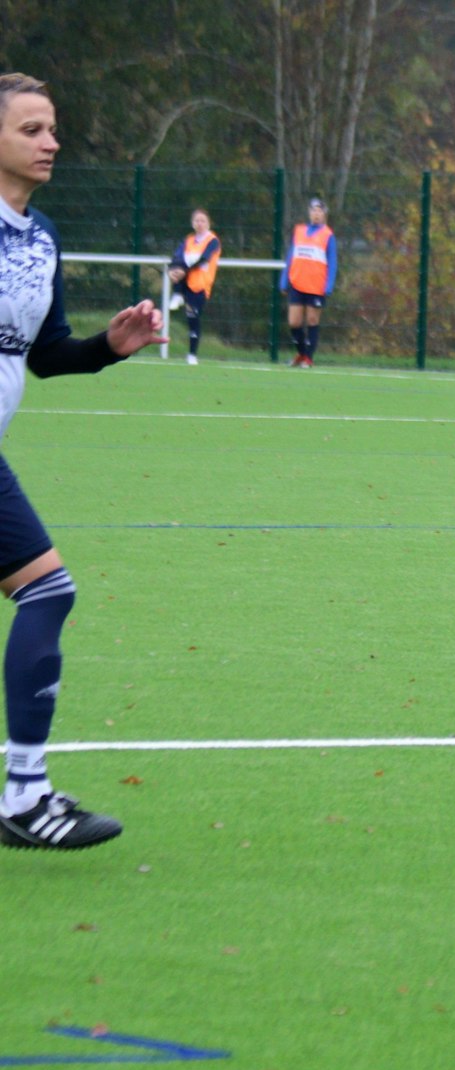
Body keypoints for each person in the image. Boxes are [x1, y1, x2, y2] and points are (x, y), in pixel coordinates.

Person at [0, 73, 166, 849]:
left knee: (47, 592)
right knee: (48, 589)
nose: (51, 142)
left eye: (53, 128)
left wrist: (109, 346)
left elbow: (45, 354)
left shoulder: (41, 237)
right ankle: (25, 795)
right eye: (31, 129)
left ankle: (25, 796)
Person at [282, 197, 336, 367]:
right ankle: (301, 353)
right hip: (297, 283)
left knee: (312, 320)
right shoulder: (299, 231)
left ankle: (308, 358)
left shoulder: (328, 235)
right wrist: (284, 280)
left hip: (316, 286)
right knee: (294, 322)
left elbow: (333, 262)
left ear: (324, 214)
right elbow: (290, 257)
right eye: (313, 210)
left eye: (319, 211)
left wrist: (329, 285)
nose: (316, 214)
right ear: (309, 212)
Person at [166, 208, 219, 366]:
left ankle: (192, 354)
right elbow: (177, 257)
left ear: (208, 223)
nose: (199, 223)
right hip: (186, 283)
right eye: (197, 220)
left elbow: (204, 259)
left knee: (193, 318)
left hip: (200, 285)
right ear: (192, 223)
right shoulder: (188, 240)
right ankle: (178, 294)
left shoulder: (213, 241)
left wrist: (184, 270)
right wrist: (172, 270)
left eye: (203, 220)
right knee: (176, 266)